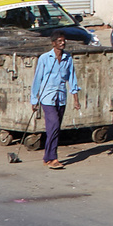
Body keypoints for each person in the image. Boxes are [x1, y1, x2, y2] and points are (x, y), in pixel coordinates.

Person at [29, 32, 83, 170]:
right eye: (59, 41)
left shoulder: (67, 58)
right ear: (53, 43)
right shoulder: (44, 58)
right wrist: (34, 99)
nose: (62, 43)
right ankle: (53, 158)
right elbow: (37, 79)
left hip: (61, 98)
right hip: (47, 98)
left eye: (64, 41)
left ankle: (47, 157)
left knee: (54, 129)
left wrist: (76, 100)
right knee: (54, 125)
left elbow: (72, 79)